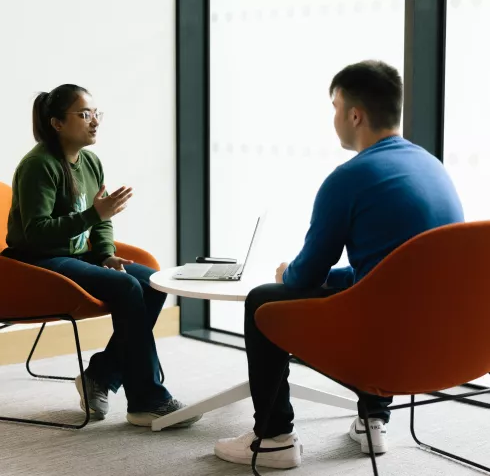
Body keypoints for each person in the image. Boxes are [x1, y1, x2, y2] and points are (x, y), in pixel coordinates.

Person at [214, 61, 464, 469]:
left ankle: (273, 437)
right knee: (370, 295)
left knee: (263, 300)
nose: (333, 119)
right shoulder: (432, 167)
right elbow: (393, 272)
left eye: (335, 107)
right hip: (451, 346)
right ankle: (373, 420)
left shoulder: (349, 178)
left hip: (385, 353)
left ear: (354, 114)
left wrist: (288, 274)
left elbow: (305, 278)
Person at [1, 84, 201, 428]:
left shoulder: (90, 161)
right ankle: (146, 399)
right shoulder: (39, 166)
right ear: (57, 124)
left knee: (152, 283)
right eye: (84, 114)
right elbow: (35, 233)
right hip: (35, 262)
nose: (94, 122)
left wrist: (107, 254)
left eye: (96, 114)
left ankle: (101, 375)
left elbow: (101, 221)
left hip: (77, 256)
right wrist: (95, 214)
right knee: (126, 289)